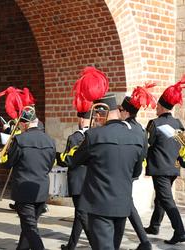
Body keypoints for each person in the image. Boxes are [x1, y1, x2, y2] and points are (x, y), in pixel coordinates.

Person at [72, 94, 145, 250]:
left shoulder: (93, 135)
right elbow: (136, 172)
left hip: (99, 205)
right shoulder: (137, 137)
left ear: (99, 114)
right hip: (123, 204)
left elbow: (74, 161)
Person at [0, 106, 56, 250]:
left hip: (24, 190)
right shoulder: (50, 140)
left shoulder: (20, 139)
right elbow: (49, 166)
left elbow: (9, 163)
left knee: (30, 228)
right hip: (41, 189)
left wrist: (3, 158)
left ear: (24, 124)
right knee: (29, 225)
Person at [144, 77, 185, 245]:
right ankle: (154, 226)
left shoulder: (154, 123)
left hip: (160, 168)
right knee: (160, 198)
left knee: (166, 199)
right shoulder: (178, 123)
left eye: (157, 106)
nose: (156, 108)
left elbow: (149, 143)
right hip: (173, 168)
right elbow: (183, 144)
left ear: (161, 106)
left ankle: (180, 231)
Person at [119, 83, 157, 250]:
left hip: (121, 172)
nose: (119, 112)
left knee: (125, 207)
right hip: (132, 172)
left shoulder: (123, 128)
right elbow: (144, 153)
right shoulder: (141, 129)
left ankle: (143, 242)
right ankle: (144, 242)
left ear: (126, 112)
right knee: (128, 205)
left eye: (121, 110)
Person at [57, 110, 91, 250]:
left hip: (77, 180)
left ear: (82, 120)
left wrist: (57, 157)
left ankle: (96, 242)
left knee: (82, 214)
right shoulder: (96, 134)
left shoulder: (74, 138)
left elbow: (69, 161)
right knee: (79, 214)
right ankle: (71, 245)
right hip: (91, 180)